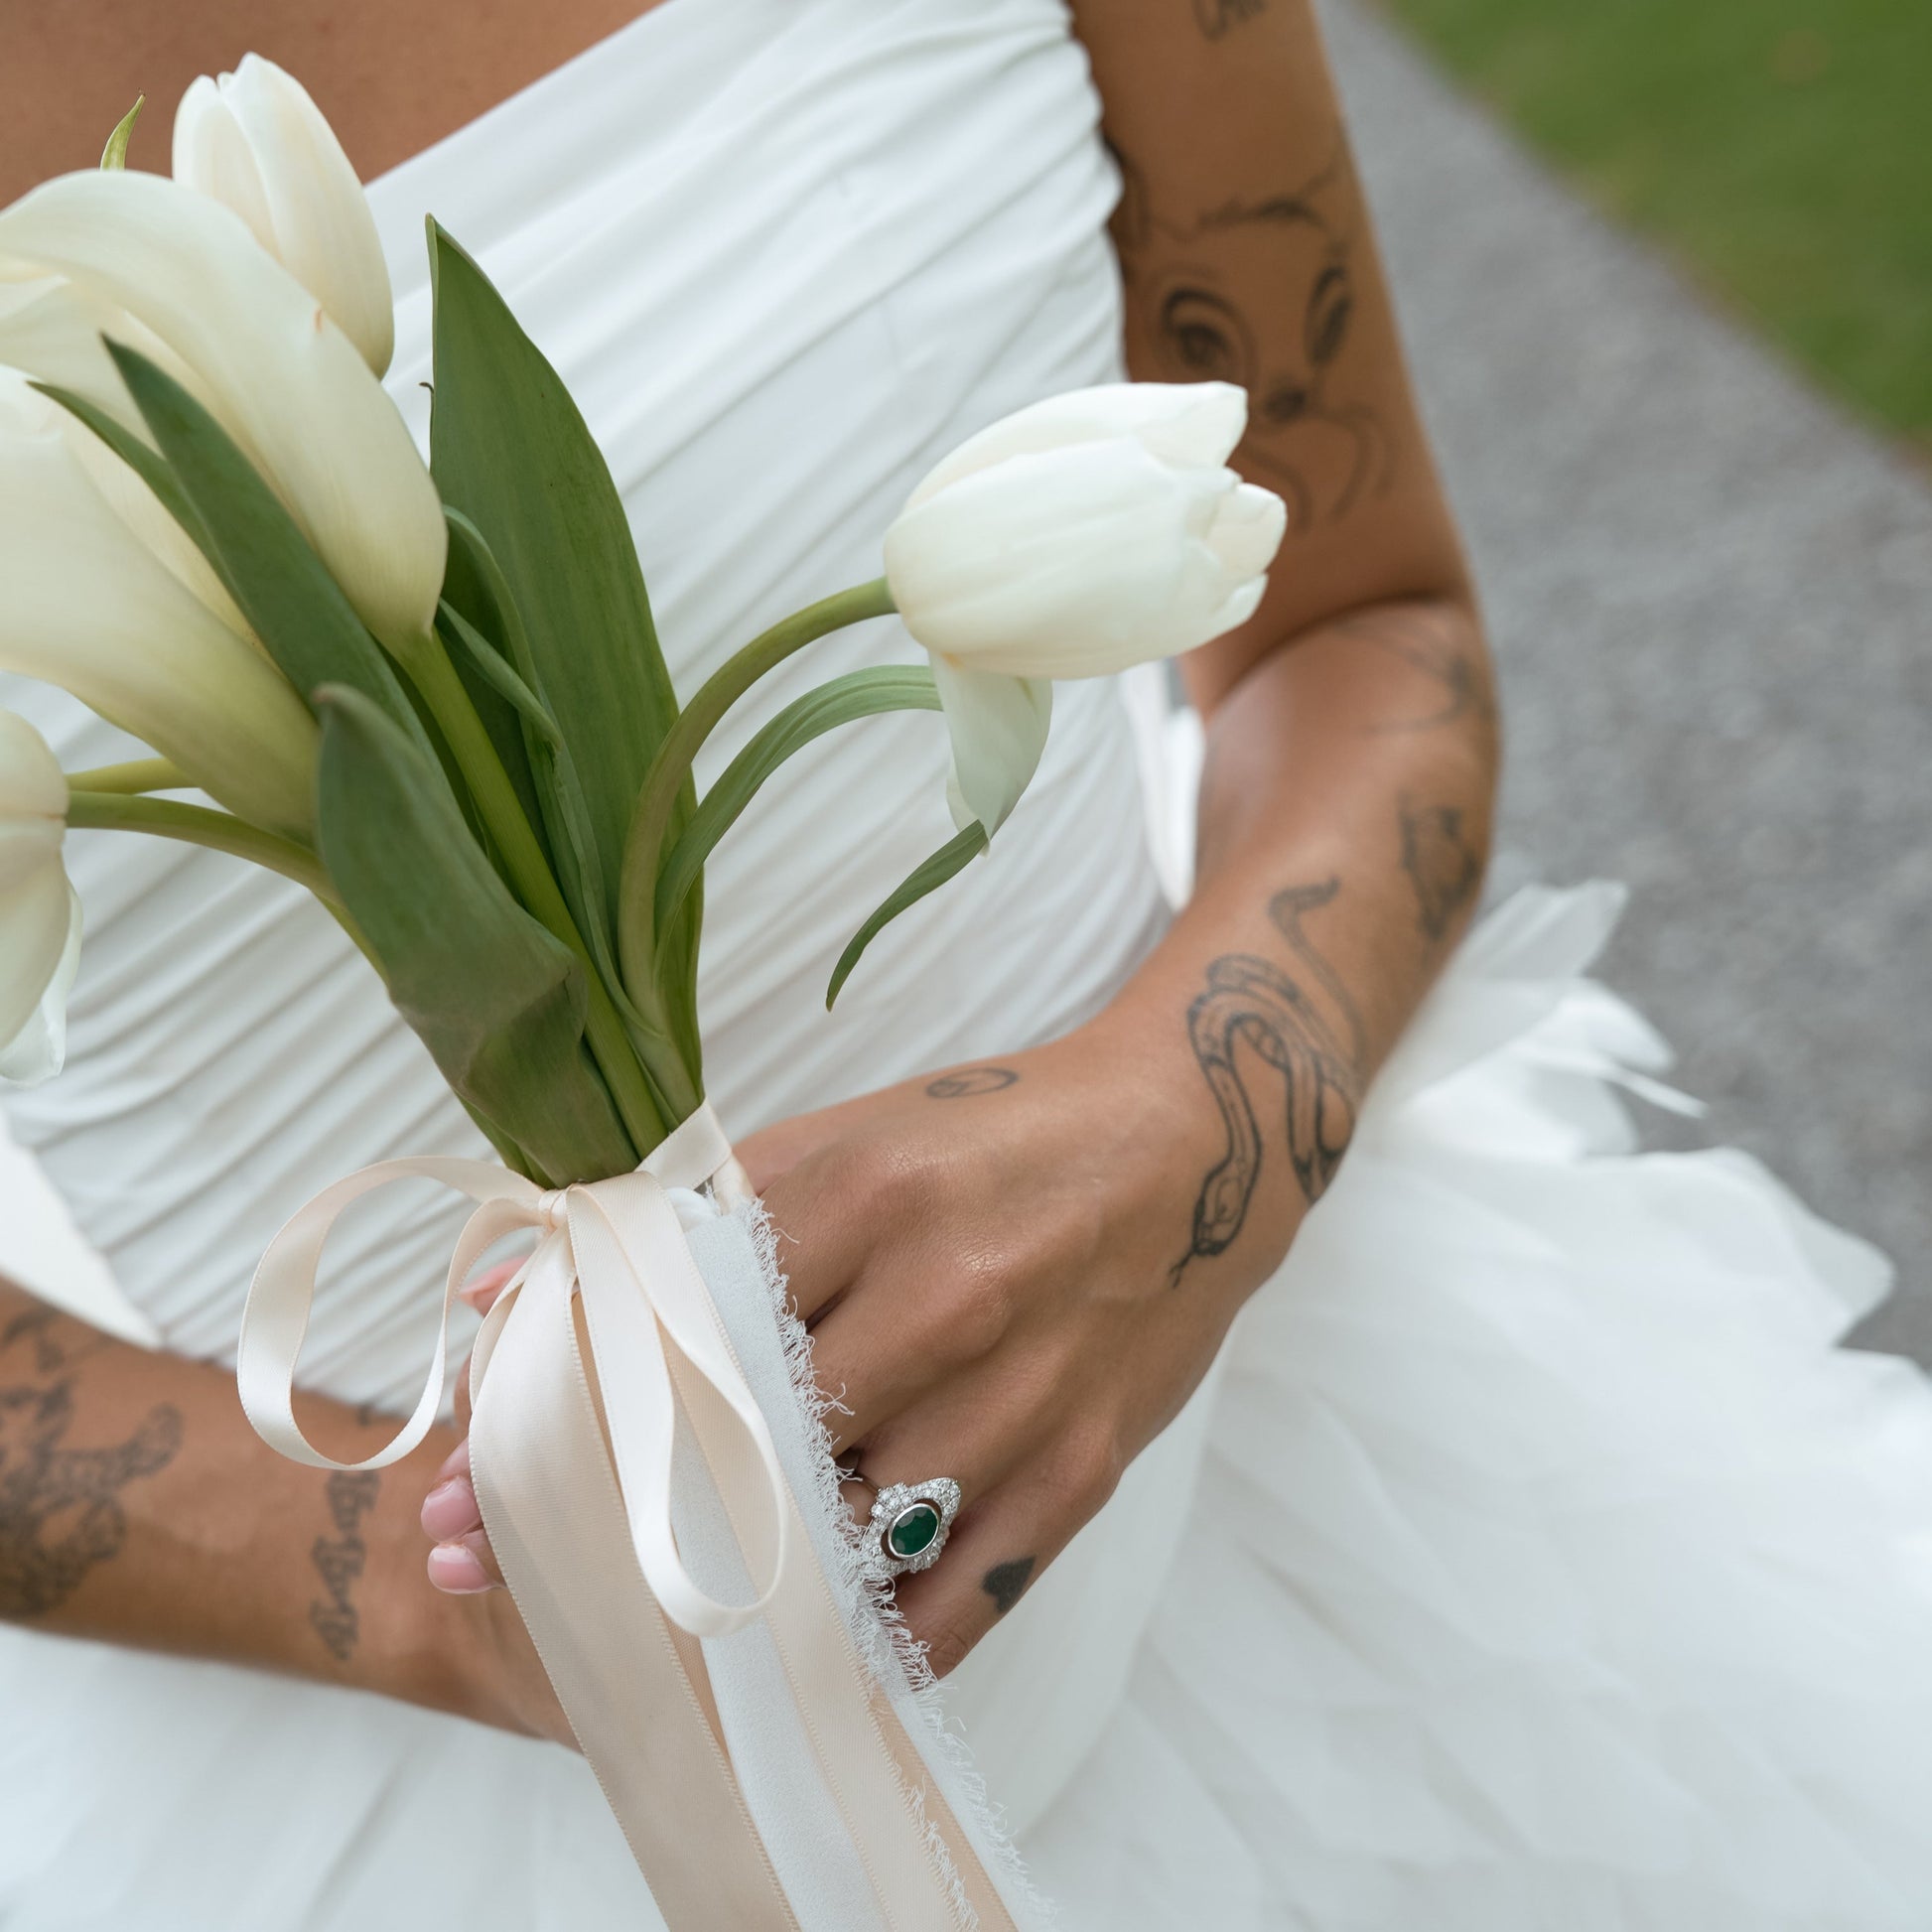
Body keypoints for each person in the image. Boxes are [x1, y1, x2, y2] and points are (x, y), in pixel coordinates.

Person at [4, 2, 1931, 1925]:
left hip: (1316, 1474)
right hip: (424, 1763)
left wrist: (1180, 1133)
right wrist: (465, 1595)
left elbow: (1367, 618)